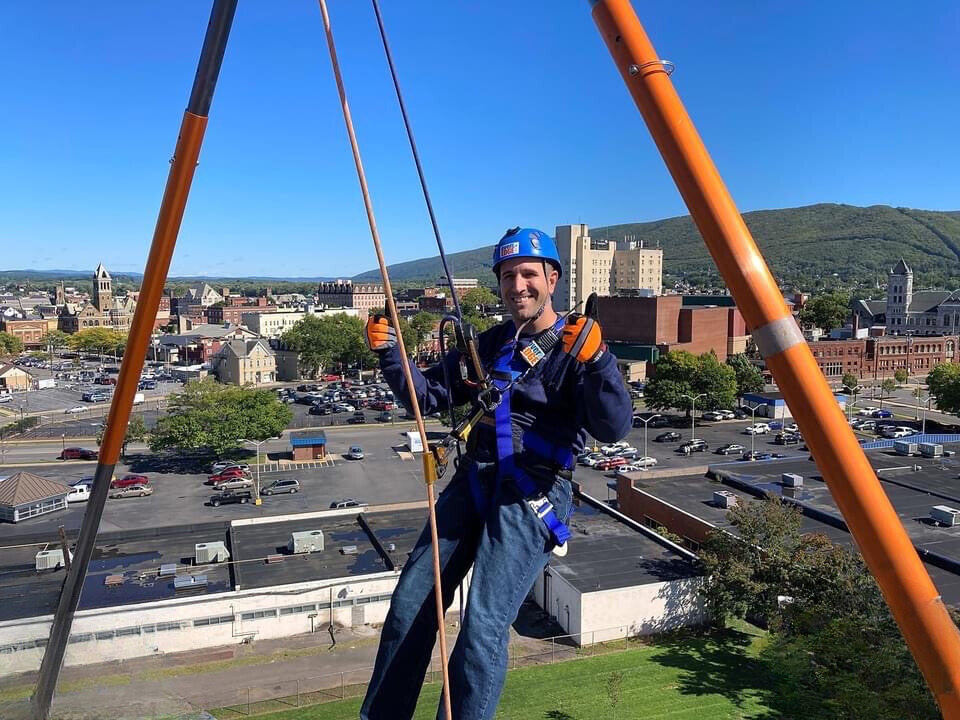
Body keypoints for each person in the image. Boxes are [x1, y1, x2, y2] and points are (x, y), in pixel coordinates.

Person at [360, 227, 632, 720]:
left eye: (529, 274)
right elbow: (430, 397)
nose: (518, 285)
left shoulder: (575, 346)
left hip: (532, 492)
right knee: (408, 608)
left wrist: (599, 363)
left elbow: (612, 428)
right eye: (509, 276)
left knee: (481, 628)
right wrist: (391, 355)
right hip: (476, 479)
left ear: (552, 278)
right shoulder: (488, 344)